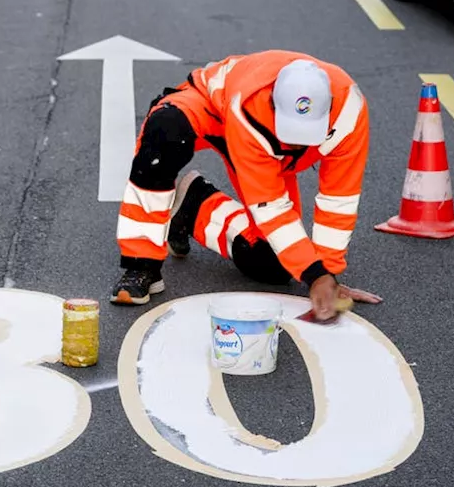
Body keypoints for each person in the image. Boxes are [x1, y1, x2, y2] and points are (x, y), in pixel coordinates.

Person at [111, 50, 381, 322]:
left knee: (274, 266)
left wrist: (325, 273)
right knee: (164, 133)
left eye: (306, 135)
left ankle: (194, 206)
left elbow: (339, 199)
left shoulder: (350, 115)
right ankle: (141, 265)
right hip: (211, 107)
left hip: (269, 150)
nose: (299, 145)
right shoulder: (250, 106)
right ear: (273, 105)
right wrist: (316, 275)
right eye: (292, 134)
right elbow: (270, 206)